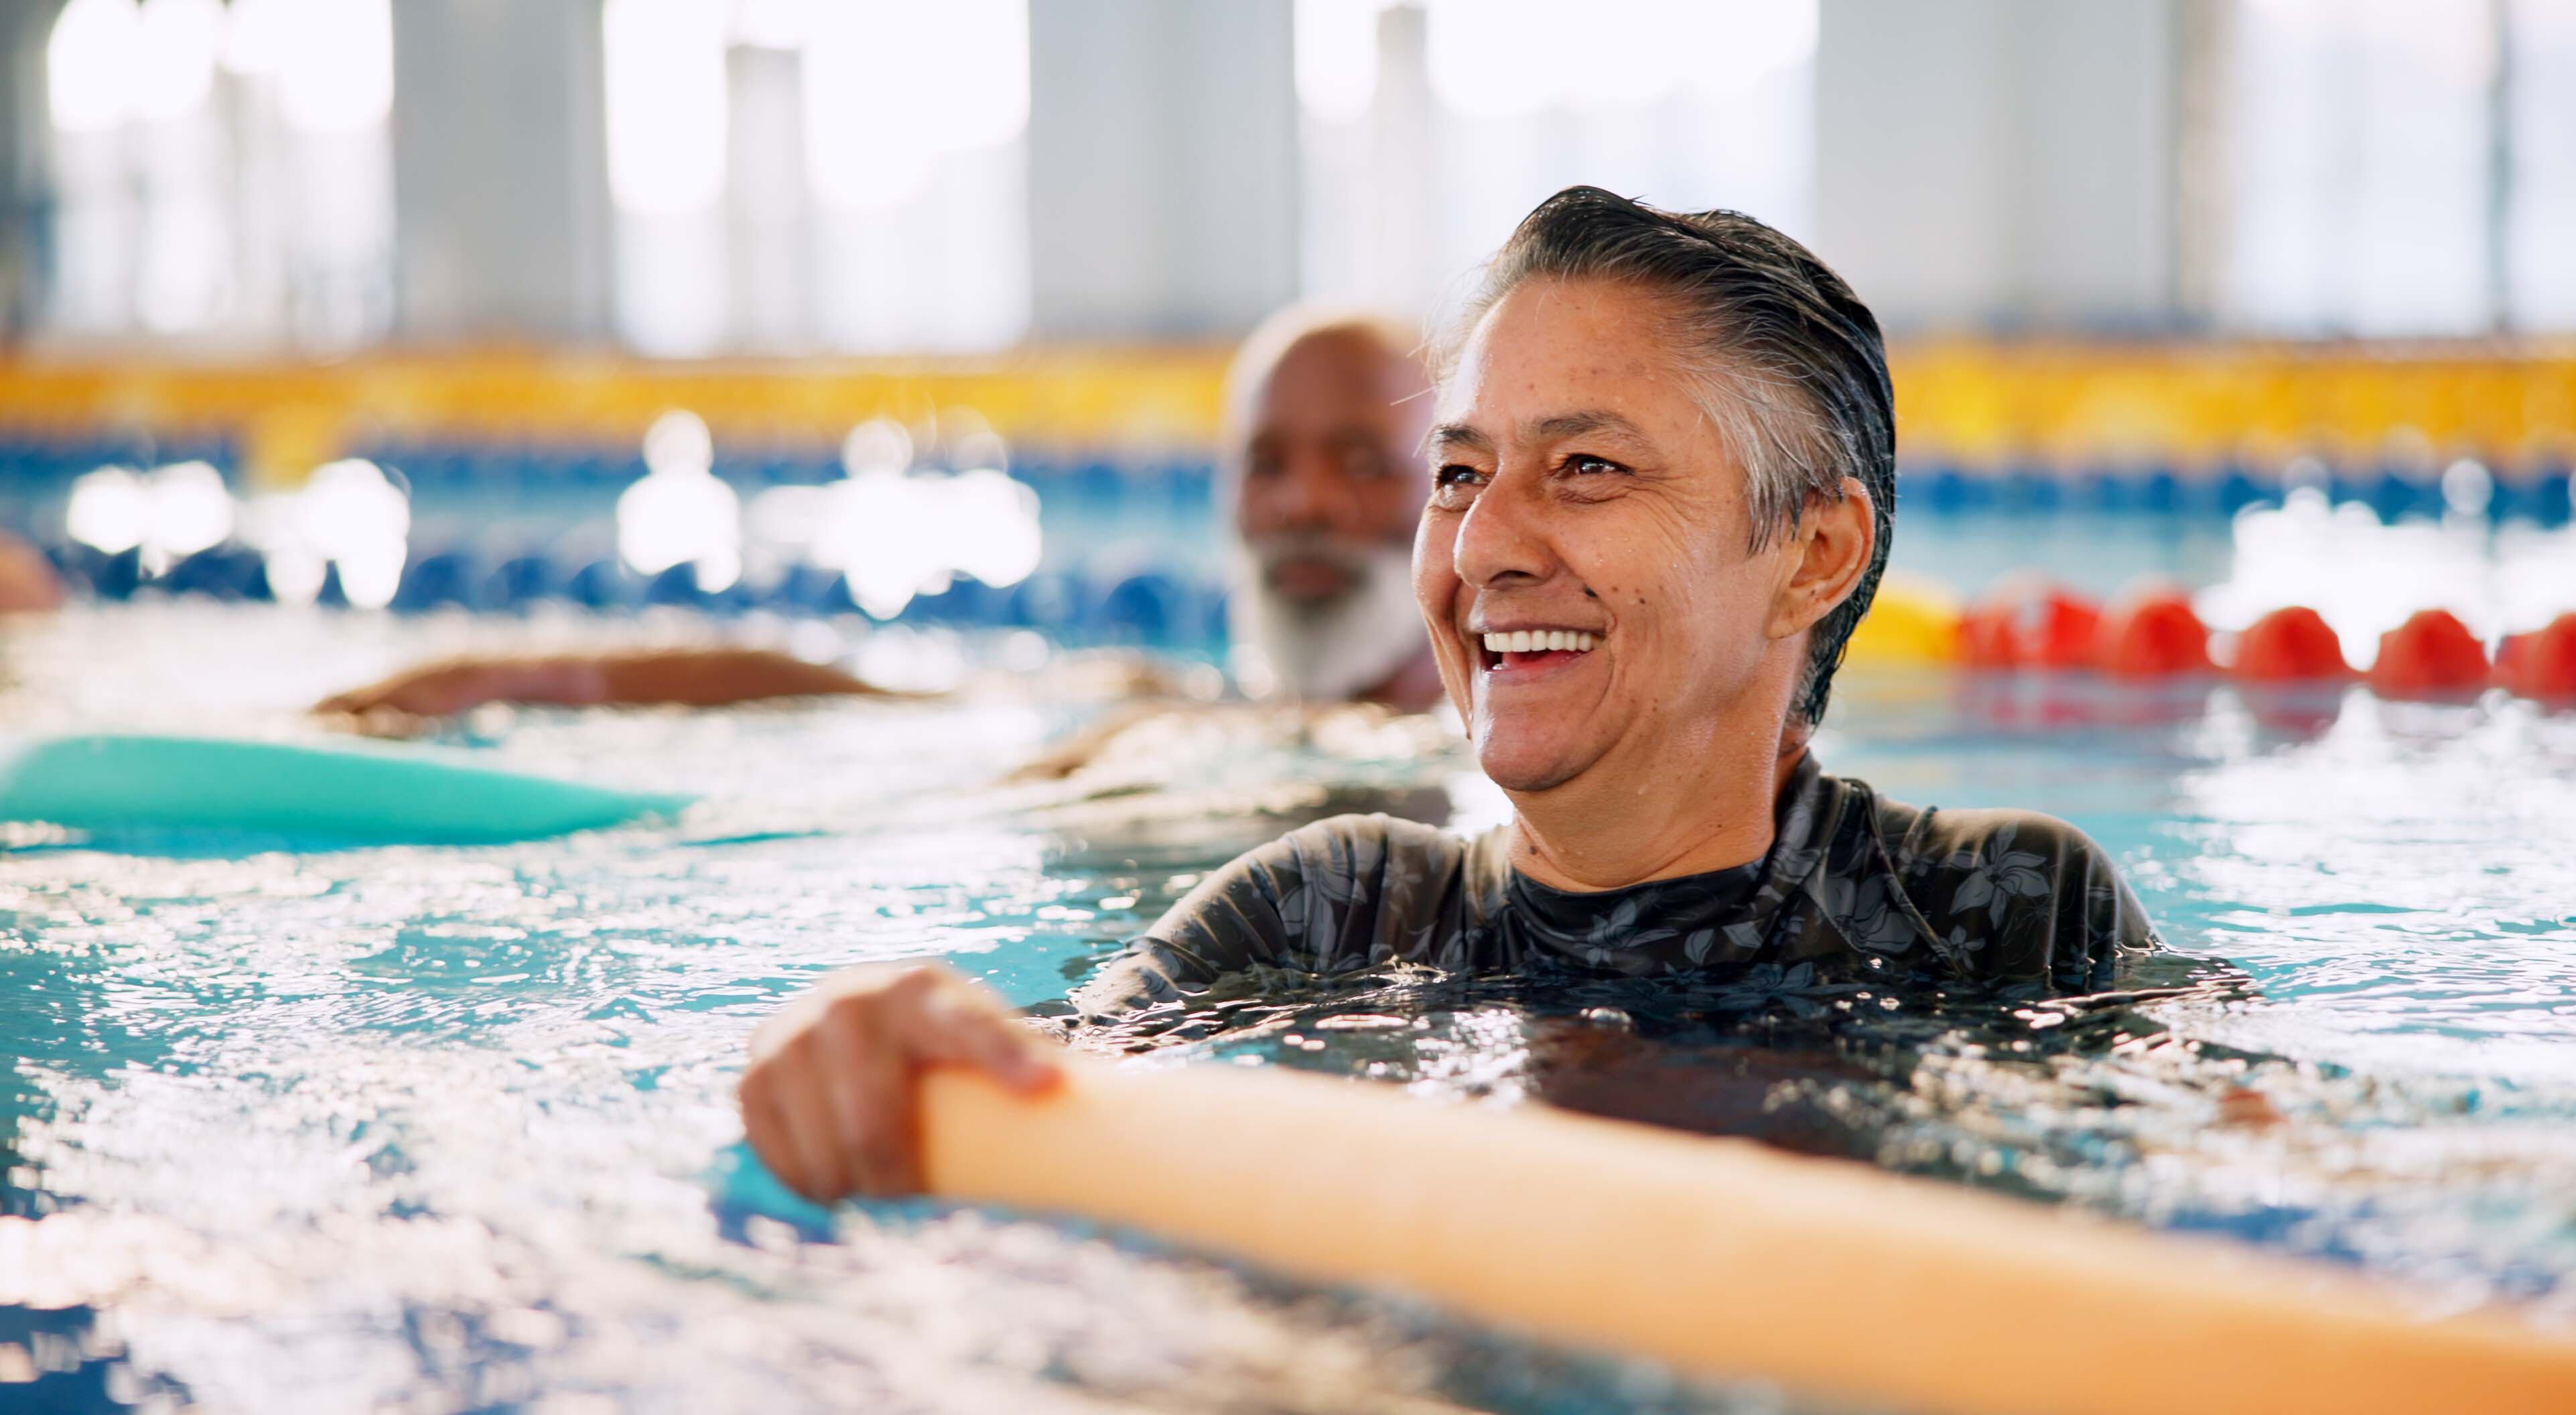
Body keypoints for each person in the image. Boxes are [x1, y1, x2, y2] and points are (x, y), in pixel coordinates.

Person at [737, 187, 2157, 1202]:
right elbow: (1037, 1102)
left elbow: (2245, 1201)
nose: (1480, 547)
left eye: (1586, 468)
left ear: (1813, 554)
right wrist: (885, 1048)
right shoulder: (1329, 910)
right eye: (1461, 475)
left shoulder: (1998, 918)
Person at [314, 309, 1439, 732]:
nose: (1304, 506)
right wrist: (515, 680)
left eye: (1361, 464)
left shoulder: (1503, 775)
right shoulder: (1159, 704)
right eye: (1267, 465)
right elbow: (846, 693)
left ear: (1454, 492)